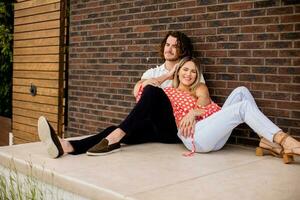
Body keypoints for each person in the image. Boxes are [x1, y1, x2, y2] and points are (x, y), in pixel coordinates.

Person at [37, 31, 201, 158]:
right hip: (151, 127)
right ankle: (68, 146)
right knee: (113, 129)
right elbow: (138, 91)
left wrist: (193, 112)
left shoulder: (190, 71)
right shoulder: (153, 71)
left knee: (152, 92)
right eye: (167, 44)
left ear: (182, 50)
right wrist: (166, 76)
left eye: (175, 46)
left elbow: (203, 100)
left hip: (174, 128)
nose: (169, 49)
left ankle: (115, 138)